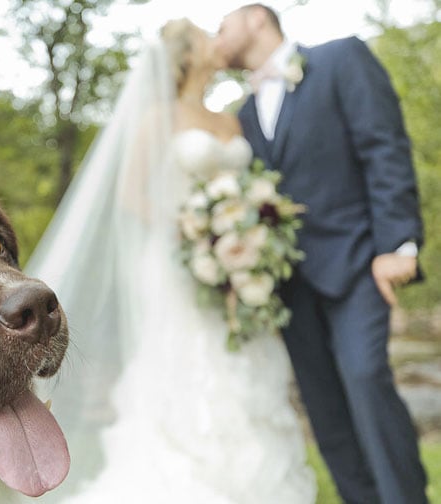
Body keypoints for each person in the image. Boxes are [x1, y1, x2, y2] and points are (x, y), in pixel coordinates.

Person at [24, 18, 316, 503]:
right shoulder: (157, 117)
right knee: (189, 365)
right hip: (178, 264)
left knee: (245, 365)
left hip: (240, 269)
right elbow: (131, 195)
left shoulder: (229, 119)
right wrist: (196, 230)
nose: (216, 42)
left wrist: (246, 233)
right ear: (185, 56)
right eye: (207, 38)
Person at [216, 4, 427, 503]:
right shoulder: (241, 115)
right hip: (285, 284)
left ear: (256, 19)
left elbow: (384, 146)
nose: (216, 39)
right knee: (324, 408)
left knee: (366, 378)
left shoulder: (340, 58)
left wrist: (397, 243)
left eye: (222, 26)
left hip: (358, 264)